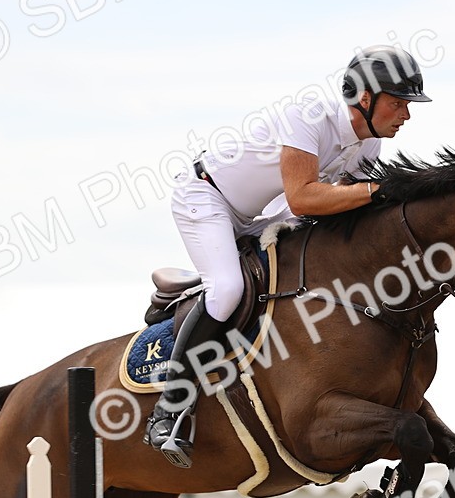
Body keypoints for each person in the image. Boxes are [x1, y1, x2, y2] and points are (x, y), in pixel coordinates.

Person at [145, 45, 432, 467]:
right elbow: (302, 198)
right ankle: (169, 411)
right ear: (365, 98)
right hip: (207, 198)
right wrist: (379, 190)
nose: (406, 114)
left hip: (261, 214)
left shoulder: (369, 148)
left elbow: (338, 213)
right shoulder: (310, 115)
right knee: (226, 290)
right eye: (399, 102)